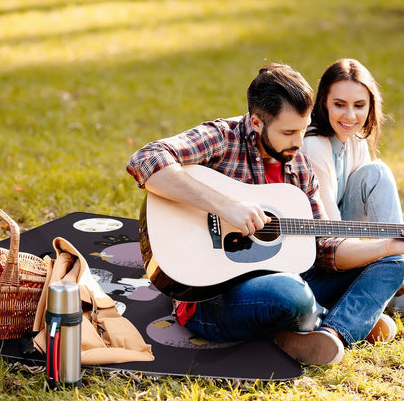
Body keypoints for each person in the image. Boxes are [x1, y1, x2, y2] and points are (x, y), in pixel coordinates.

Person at [127, 62, 404, 366]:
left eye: (303, 129)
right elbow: (146, 159)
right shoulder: (222, 137)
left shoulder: (298, 165)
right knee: (291, 294)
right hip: (211, 297)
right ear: (257, 123)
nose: (299, 143)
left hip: (291, 278)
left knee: (395, 262)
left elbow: (325, 247)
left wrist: (385, 246)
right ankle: (344, 317)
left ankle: (333, 332)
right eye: (288, 132)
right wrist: (224, 205)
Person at [301, 58, 404, 321]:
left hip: (347, 238)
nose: (350, 116)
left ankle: (395, 274)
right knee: (377, 172)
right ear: (323, 102)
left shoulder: (354, 139)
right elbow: (330, 234)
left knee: (376, 172)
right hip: (321, 253)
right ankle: (392, 278)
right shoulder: (314, 145)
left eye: (359, 105)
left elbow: (370, 210)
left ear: (370, 106)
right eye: (339, 104)